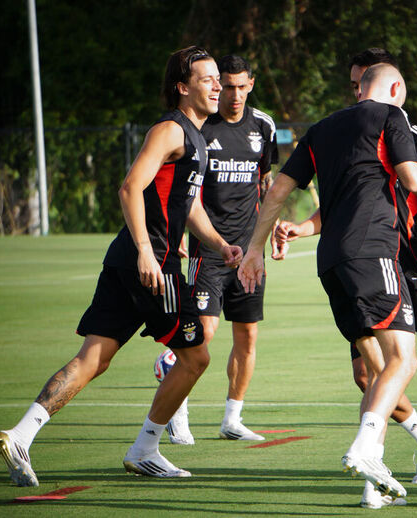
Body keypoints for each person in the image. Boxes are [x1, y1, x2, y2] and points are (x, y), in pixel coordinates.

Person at [0, 47, 242, 486]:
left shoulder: (198, 137)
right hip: (152, 265)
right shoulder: (171, 129)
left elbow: (188, 203)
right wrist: (147, 250)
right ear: (182, 87)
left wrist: (220, 244)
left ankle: (20, 435)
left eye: (217, 79)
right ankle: (145, 449)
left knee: (94, 357)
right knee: (195, 357)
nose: (217, 86)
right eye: (207, 79)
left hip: (130, 259)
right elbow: (130, 188)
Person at [273, 48, 417, 509]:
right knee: (369, 374)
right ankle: (392, 465)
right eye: (353, 86)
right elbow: (342, 206)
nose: (358, 93)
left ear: (385, 85)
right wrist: (302, 228)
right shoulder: (350, 132)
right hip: (372, 262)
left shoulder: (414, 137)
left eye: (362, 83)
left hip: (411, 265)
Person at [163, 55, 279, 445]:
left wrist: (270, 233)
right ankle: (177, 410)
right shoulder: (202, 125)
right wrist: (181, 230)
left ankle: (232, 418)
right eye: (226, 86)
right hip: (209, 248)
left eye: (241, 86)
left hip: (249, 252)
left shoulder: (263, 126)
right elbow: (186, 185)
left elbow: (266, 183)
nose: (233, 94)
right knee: (203, 333)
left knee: (247, 336)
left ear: (251, 85)